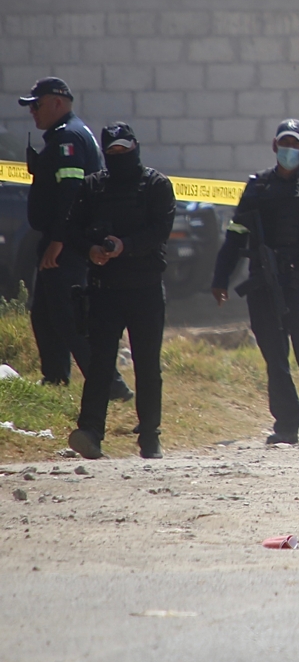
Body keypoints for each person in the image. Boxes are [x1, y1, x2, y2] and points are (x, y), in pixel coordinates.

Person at [210, 119, 299, 446]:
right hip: (264, 283)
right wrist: (220, 278)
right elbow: (236, 235)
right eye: (284, 144)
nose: (289, 150)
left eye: (296, 144)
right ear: (275, 147)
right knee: (276, 359)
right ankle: (286, 426)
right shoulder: (257, 187)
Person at [17, 77, 132, 400]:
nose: (33, 113)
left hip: (67, 244)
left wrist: (58, 240)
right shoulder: (63, 135)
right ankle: (55, 378)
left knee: (71, 317)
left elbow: (71, 193)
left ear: (57, 102)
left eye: (36, 105)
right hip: (61, 240)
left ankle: (112, 387)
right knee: (45, 312)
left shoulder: (68, 137)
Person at [64, 124, 175, 460]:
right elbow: (72, 230)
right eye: (111, 152)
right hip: (105, 290)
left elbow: (160, 230)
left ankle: (150, 435)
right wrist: (92, 250)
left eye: (123, 151)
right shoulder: (93, 187)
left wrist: (126, 246)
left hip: (144, 289)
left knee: (147, 365)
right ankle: (91, 432)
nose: (118, 157)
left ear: (135, 149)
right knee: (100, 365)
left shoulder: (156, 185)